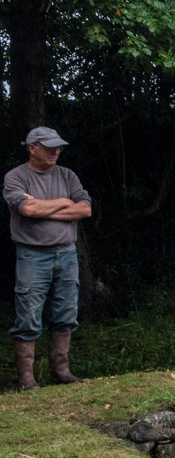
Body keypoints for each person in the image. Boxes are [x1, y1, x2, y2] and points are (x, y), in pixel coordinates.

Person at [4, 127, 92, 389]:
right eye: (50, 146)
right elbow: (28, 208)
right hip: (32, 256)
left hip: (66, 254)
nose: (56, 151)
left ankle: (62, 372)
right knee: (28, 317)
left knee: (66, 313)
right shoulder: (16, 177)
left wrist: (49, 208)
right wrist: (65, 203)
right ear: (32, 147)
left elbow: (85, 209)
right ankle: (27, 379)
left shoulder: (67, 175)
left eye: (59, 146)